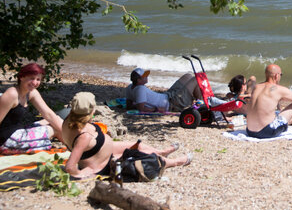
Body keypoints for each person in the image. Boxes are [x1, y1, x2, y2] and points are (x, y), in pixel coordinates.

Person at [62, 92, 190, 179]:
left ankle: (162, 152)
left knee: (136, 145)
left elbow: (48, 113)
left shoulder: (68, 120)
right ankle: (174, 162)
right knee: (144, 157)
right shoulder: (84, 137)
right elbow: (70, 167)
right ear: (91, 110)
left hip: (101, 150)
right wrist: (84, 173)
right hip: (103, 163)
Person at [0, 63, 64, 152]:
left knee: (55, 119)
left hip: (19, 131)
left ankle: (76, 146)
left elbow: (48, 114)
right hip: (7, 141)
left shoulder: (31, 92)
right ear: (22, 77)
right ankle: (76, 152)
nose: (35, 83)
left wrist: (69, 132)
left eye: (38, 79)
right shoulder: (12, 94)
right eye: (31, 78)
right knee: (54, 129)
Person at [245, 64, 292, 139]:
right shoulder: (278, 89)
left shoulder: (257, 87)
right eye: (281, 74)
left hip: (250, 131)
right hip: (266, 132)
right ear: (276, 76)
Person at [125, 68, 201, 113]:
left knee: (188, 76)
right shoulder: (140, 89)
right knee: (196, 79)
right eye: (144, 76)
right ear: (138, 80)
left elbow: (129, 106)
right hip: (173, 103)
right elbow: (141, 109)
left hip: (168, 96)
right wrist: (156, 109)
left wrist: (135, 104)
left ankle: (197, 102)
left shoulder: (130, 87)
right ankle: (201, 106)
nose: (147, 77)